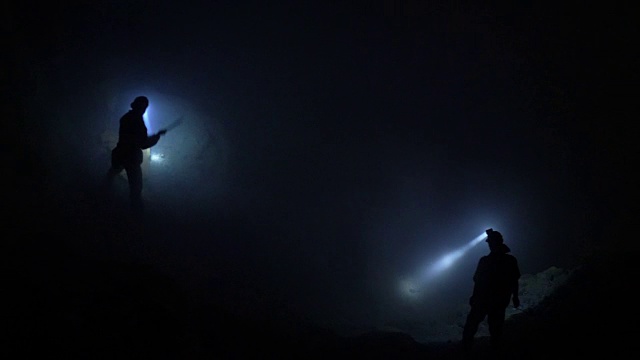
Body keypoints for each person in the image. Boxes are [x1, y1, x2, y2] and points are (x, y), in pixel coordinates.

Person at [461, 228, 521, 355]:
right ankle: (494, 352)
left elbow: (478, 281)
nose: (490, 245)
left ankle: (465, 352)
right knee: (495, 330)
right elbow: (514, 280)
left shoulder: (486, 261)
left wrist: (474, 297)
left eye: (491, 243)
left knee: (473, 327)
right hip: (498, 301)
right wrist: (515, 297)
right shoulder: (509, 261)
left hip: (484, 300)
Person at [106, 96, 166, 214]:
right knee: (136, 188)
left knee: (112, 173)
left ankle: (101, 194)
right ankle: (136, 215)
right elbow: (142, 143)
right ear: (142, 107)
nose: (144, 109)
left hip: (120, 152)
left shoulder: (126, 117)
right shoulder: (137, 120)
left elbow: (134, 138)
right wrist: (156, 137)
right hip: (131, 157)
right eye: (144, 107)